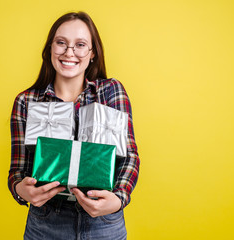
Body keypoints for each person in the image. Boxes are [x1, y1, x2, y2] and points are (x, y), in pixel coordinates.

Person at [8, 11, 140, 239]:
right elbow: (17, 171)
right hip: (46, 223)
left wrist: (119, 199)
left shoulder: (110, 91)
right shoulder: (26, 101)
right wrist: (21, 190)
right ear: (50, 48)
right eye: (61, 43)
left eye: (80, 45)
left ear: (92, 54)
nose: (69, 52)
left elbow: (130, 156)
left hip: (104, 224)